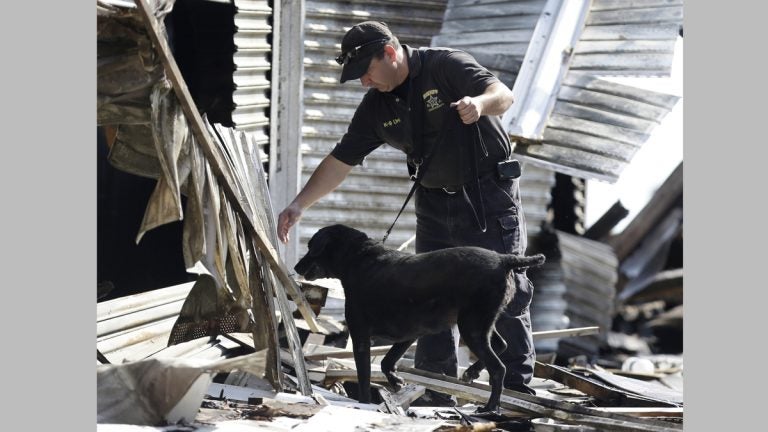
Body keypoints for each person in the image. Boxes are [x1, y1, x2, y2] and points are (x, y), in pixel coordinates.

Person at [277, 21, 536, 403]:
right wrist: (300, 204)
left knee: (504, 292)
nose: (364, 82)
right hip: (433, 203)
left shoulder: (445, 65)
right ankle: (436, 390)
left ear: (390, 53)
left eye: (366, 71)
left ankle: (516, 392)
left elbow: (503, 94)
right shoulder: (375, 107)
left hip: (486, 198)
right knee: (425, 291)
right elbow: (341, 160)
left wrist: (478, 105)